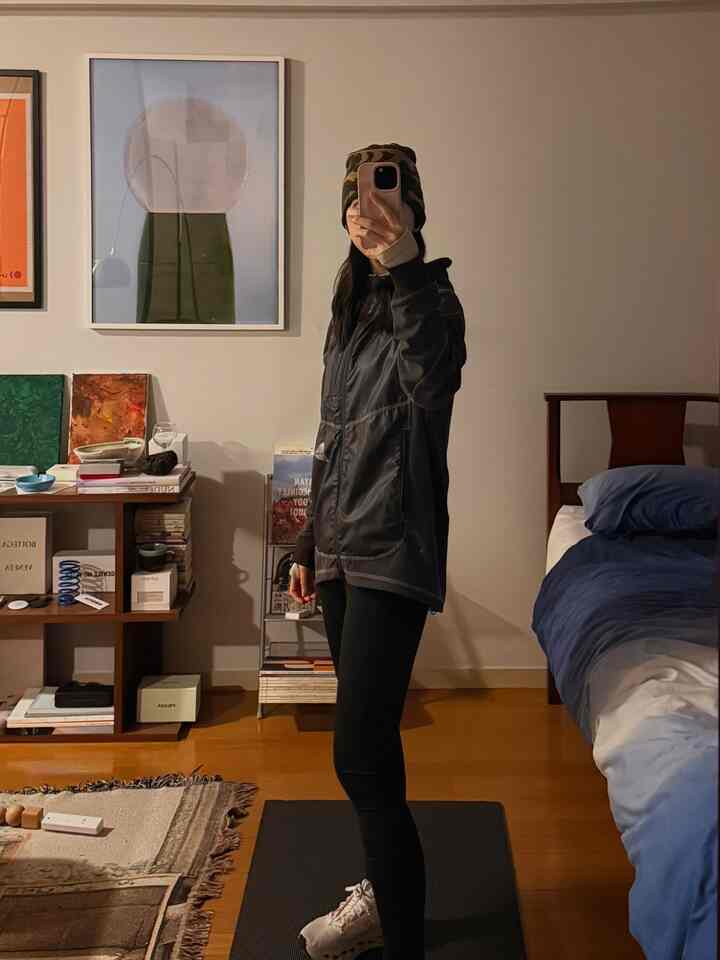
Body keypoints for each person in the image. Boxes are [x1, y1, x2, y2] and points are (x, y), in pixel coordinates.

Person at [288, 143, 467, 960]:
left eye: (388, 196)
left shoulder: (429, 302)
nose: (371, 210)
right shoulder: (349, 315)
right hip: (341, 551)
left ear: (414, 208)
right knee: (370, 750)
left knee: (358, 751)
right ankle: (384, 899)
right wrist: (306, 536)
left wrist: (404, 263)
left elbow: (430, 380)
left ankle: (399, 937)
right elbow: (336, 442)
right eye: (358, 201)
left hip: (393, 549)